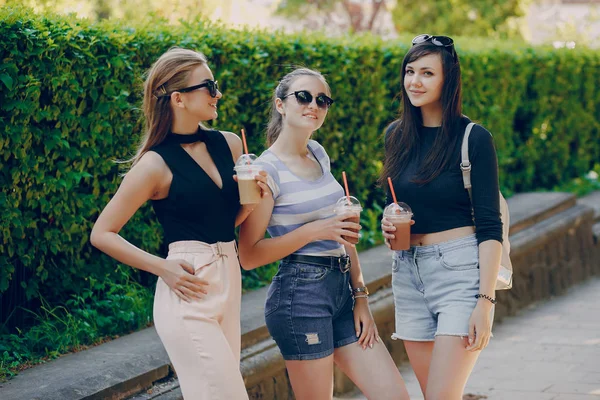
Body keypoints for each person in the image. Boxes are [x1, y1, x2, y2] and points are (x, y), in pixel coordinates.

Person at [90, 47, 268, 400]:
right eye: (210, 86)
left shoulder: (230, 144)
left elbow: (224, 223)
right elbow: (102, 233)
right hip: (188, 291)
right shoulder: (155, 164)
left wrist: (251, 203)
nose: (219, 94)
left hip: (229, 282)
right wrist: (163, 269)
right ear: (178, 99)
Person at [238, 67, 410, 400]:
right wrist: (314, 230)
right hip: (300, 295)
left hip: (342, 291)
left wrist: (361, 298)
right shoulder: (266, 170)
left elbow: (343, 231)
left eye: (322, 100)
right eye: (303, 96)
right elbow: (249, 254)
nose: (313, 105)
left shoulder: (318, 154)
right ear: (280, 105)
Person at [380, 34, 503, 399]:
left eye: (427, 73)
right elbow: (399, 203)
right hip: (407, 273)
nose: (414, 81)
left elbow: (490, 226)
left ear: (448, 80)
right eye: (410, 71)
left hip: (459, 274)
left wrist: (486, 301)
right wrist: (388, 222)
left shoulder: (473, 138)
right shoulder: (396, 136)